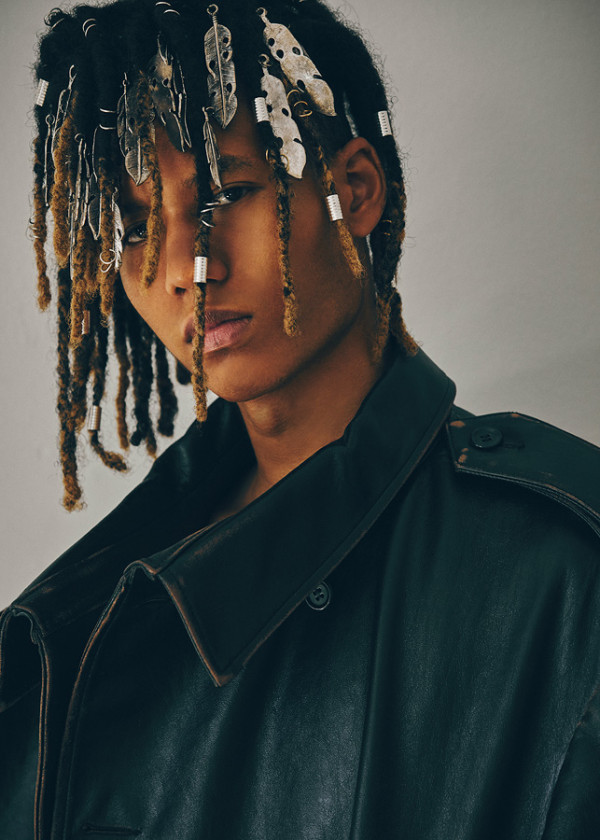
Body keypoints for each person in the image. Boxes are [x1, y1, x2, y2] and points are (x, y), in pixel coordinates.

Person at [1, 0, 599, 837]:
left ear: (353, 190)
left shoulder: (563, 561)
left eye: (225, 193)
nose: (182, 267)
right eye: (135, 228)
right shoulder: (91, 604)